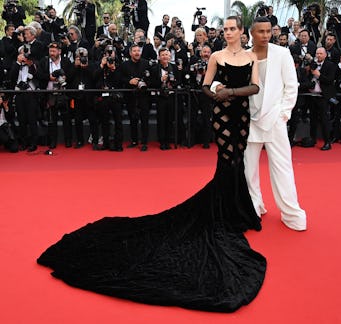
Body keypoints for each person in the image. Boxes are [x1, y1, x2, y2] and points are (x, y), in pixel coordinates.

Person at [37, 16, 266, 313]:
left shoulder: (251, 57)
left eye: (233, 28)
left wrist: (230, 93)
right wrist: (216, 94)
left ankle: (239, 210)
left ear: (242, 32)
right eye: (226, 29)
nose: (229, 32)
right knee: (226, 159)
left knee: (239, 160)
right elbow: (205, 87)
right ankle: (225, 212)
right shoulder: (218, 57)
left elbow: (255, 88)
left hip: (241, 113)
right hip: (222, 114)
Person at [244, 16, 307, 231]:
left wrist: (283, 114)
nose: (265, 35)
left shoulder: (282, 53)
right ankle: (253, 207)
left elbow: (292, 86)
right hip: (249, 120)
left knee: (282, 167)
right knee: (248, 169)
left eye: (268, 31)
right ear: (252, 33)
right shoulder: (244, 55)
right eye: (260, 31)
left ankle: (292, 213)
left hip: (275, 119)